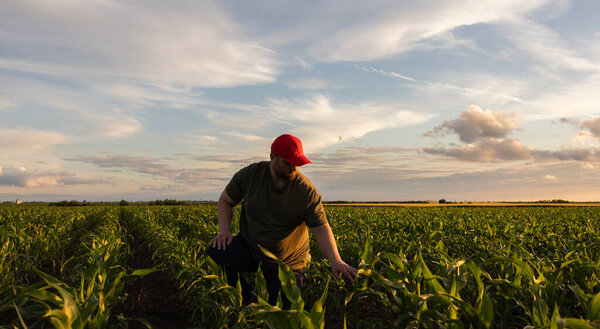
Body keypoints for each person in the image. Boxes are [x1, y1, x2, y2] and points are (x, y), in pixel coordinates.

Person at [206, 134, 357, 308]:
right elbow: (225, 200)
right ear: (272, 157)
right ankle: (246, 300)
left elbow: (321, 228)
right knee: (216, 252)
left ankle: (265, 300)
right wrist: (225, 231)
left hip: (287, 263)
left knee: (281, 314)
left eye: (297, 163)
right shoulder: (250, 175)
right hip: (252, 249)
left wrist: (336, 260)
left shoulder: (305, 191)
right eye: (288, 162)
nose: (293, 167)